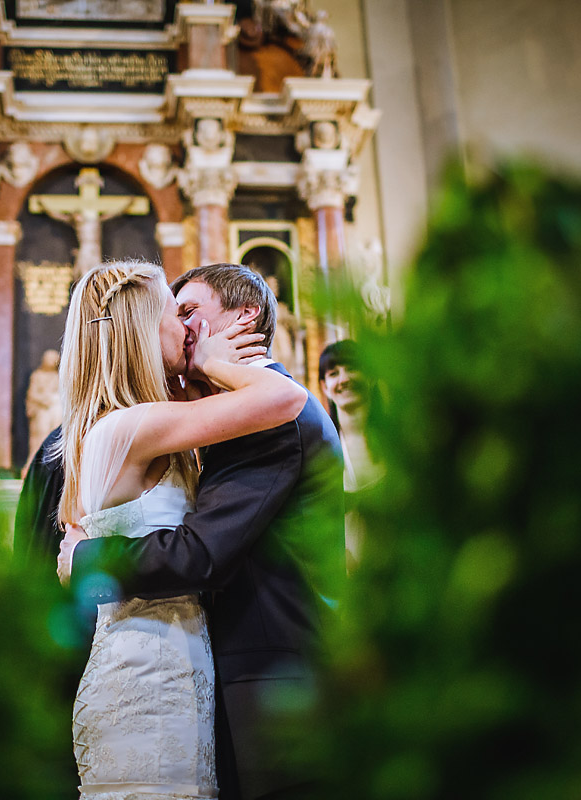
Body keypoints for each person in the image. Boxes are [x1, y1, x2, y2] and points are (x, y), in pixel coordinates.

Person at [60, 263, 346, 800]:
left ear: (245, 317)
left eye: (191, 312)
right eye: (175, 315)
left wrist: (87, 559)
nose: (186, 329)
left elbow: (201, 553)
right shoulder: (137, 424)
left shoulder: (272, 415)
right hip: (158, 682)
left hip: (272, 686)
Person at [318, 340, 383, 569]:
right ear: (324, 387)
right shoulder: (321, 451)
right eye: (334, 373)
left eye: (352, 368)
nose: (344, 379)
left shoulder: (394, 441)